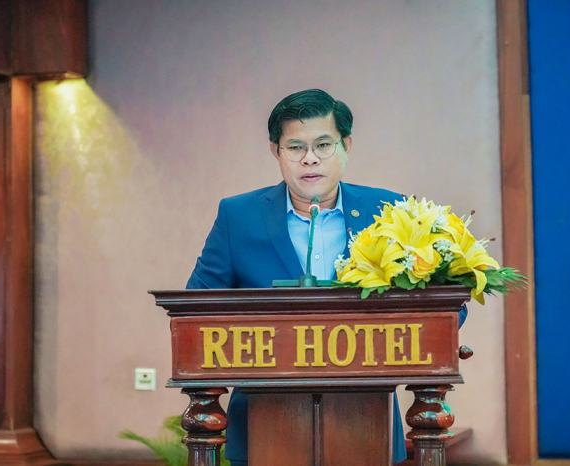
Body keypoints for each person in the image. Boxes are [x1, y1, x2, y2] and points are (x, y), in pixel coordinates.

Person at [186, 89, 466, 465]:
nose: (310, 158)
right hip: (260, 425)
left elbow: (447, 301)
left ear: (345, 145)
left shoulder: (388, 211)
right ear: (276, 151)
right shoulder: (238, 217)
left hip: (368, 424)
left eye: (323, 145)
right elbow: (195, 311)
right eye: (295, 147)